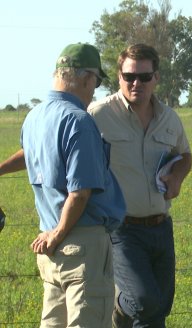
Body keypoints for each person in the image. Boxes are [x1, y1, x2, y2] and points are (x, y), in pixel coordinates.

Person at [17, 43, 126, 327]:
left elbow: (31, 156)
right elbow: (80, 193)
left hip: (49, 244)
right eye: (97, 81)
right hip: (81, 242)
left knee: (53, 322)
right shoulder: (78, 121)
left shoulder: (34, 117)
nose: (95, 89)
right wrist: (61, 233)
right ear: (86, 77)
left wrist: (52, 235)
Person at [88, 43, 192, 327]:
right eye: (129, 76)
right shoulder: (98, 115)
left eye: (145, 77)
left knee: (159, 305)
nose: (137, 83)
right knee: (145, 302)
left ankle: (123, 311)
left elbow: (184, 155)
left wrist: (178, 176)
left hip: (161, 225)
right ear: (119, 76)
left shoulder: (169, 117)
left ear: (156, 78)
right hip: (122, 229)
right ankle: (120, 305)